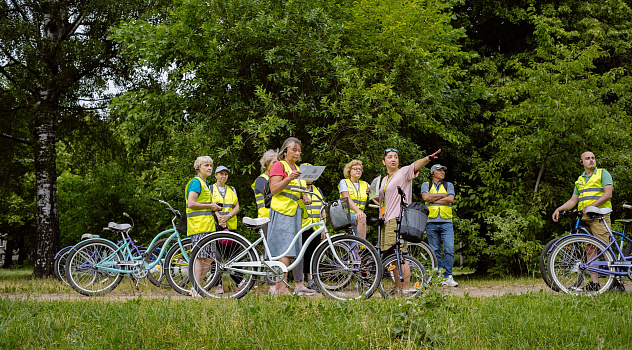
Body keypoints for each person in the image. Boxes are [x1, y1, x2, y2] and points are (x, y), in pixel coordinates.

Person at [377, 148, 441, 293]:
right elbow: (381, 199)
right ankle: (397, 287)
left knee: (401, 254)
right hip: (387, 219)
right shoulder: (384, 179)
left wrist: (428, 158)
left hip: (400, 217)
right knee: (392, 256)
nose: (393, 159)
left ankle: (405, 289)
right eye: (389, 157)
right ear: (384, 161)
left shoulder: (404, 172)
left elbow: (415, 165)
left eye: (395, 157)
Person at [552, 151, 617, 291]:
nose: (591, 160)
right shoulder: (580, 180)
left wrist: (592, 205)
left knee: (605, 248)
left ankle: (616, 282)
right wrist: (559, 209)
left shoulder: (602, 173)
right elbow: (573, 200)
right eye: (587, 158)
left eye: (593, 158)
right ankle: (595, 283)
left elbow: (608, 194)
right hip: (586, 218)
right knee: (590, 249)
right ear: (582, 162)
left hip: (600, 216)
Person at [267, 137, 315, 295]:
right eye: (294, 150)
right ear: (285, 151)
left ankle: (282, 286)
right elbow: (274, 189)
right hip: (283, 211)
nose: (297, 153)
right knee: (284, 250)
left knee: (291, 249)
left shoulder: (296, 167)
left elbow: (296, 190)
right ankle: (281, 287)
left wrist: (304, 197)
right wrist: (289, 177)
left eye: (299, 150)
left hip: (294, 212)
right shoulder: (279, 165)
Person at [184, 156, 223, 296]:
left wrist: (217, 213)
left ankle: (197, 288)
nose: (209, 168)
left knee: (210, 257)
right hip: (198, 226)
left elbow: (208, 207)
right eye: (206, 165)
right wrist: (210, 205)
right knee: (200, 258)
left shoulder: (205, 184)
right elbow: (191, 203)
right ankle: (196, 288)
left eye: (211, 165)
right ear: (198, 168)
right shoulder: (196, 183)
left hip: (208, 226)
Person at [421, 164, 457, 287]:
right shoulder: (426, 185)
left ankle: (448, 276)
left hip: (446, 222)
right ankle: (440, 276)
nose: (442, 172)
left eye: (443, 170)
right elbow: (425, 197)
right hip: (430, 222)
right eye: (439, 170)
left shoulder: (449, 185)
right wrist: (443, 196)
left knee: (449, 249)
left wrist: (433, 199)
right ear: (432, 173)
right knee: (435, 250)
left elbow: (451, 199)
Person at [301, 164, 326, 290]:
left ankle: (312, 281)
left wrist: (324, 227)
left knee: (314, 255)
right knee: (302, 255)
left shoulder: (318, 190)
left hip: (316, 227)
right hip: (302, 227)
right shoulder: (299, 189)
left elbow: (322, 209)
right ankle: (301, 281)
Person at [339, 160, 369, 239]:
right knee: (362, 218)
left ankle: (357, 249)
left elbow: (376, 199)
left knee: (354, 248)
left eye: (360, 169)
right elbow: (346, 198)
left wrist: (371, 193)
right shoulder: (344, 182)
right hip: (346, 215)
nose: (358, 170)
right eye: (355, 169)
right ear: (349, 171)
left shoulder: (365, 184)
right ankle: (363, 245)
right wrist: (359, 211)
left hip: (357, 216)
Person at [251, 150, 278, 236]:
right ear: (266, 165)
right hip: (266, 218)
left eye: (278, 163)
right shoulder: (261, 180)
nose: (276, 165)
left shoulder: (276, 179)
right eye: (274, 162)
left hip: (276, 217)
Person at [211, 166, 240, 231]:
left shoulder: (232, 189)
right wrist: (218, 216)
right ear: (216, 175)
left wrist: (228, 216)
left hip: (231, 227)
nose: (224, 176)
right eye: (221, 174)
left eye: (226, 174)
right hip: (215, 226)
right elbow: (208, 206)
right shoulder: (210, 189)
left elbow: (237, 206)